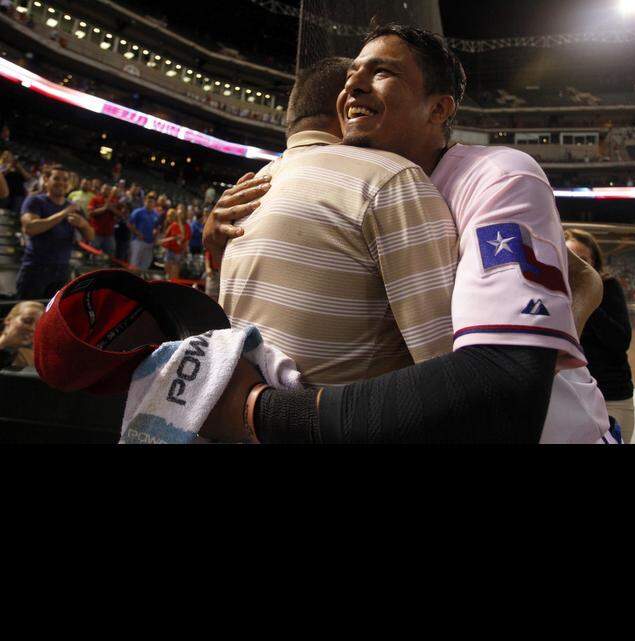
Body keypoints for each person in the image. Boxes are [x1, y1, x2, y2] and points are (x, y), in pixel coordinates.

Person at [202, 24, 611, 444]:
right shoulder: (368, 188)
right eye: (351, 75)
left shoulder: (498, 175)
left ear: (438, 110)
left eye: (382, 73)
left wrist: (258, 410)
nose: (354, 84)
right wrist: (217, 248)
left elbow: (502, 383)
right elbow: (580, 278)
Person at [218, 56, 459, 386]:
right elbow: (446, 366)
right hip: (329, 423)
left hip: (238, 422)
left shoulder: (250, 185)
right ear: (346, 107)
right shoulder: (390, 178)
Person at [564, 228, 635, 435]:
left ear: (594, 263)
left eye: (583, 260)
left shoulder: (609, 287)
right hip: (572, 396)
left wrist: (588, 294)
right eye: (571, 259)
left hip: (611, 397)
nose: (576, 266)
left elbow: (620, 340)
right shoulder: (553, 293)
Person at [16, 166, 95, 299]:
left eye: (65, 180)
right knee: (29, 313)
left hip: (62, 270)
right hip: (35, 269)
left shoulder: (74, 207)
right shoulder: (35, 201)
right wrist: (64, 213)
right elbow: (30, 228)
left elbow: (90, 236)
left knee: (53, 317)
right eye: (56, 178)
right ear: (46, 180)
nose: (61, 182)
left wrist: (83, 224)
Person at [0, 301, 44, 370]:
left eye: (38, 326)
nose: (32, 329)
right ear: (8, 319)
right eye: (27, 321)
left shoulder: (34, 360)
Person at [127, 192, 159, 271]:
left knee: (145, 265)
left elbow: (157, 228)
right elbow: (129, 224)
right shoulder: (138, 211)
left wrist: (155, 237)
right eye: (148, 201)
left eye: (152, 202)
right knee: (134, 264)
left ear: (154, 203)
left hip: (150, 242)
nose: (150, 203)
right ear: (145, 201)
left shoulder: (156, 215)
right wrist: (137, 233)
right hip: (138, 241)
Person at [158, 204, 190, 280]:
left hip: (178, 252)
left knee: (174, 275)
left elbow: (184, 239)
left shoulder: (187, 226)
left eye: (182, 211)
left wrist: (185, 251)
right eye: (179, 210)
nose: (180, 212)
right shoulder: (173, 224)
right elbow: (166, 236)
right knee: (167, 272)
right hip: (169, 251)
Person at [87, 184, 118, 257]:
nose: (106, 191)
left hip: (109, 234)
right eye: (104, 189)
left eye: (108, 189)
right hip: (96, 233)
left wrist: (112, 209)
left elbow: (121, 215)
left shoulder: (115, 201)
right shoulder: (95, 199)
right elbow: (90, 213)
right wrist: (104, 209)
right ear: (101, 189)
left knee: (110, 255)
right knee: (93, 253)